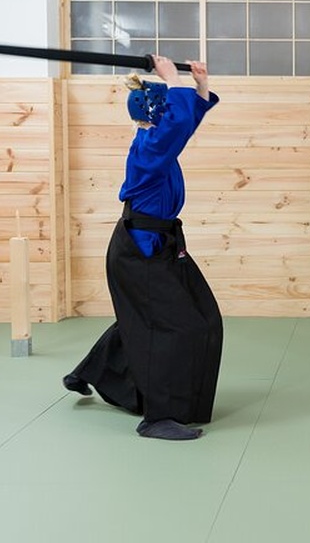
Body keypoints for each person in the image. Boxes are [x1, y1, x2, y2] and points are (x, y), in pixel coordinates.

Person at [63, 55, 223, 440]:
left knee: (183, 317)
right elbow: (178, 124)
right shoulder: (151, 147)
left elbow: (183, 125)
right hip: (140, 251)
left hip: (154, 246)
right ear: (158, 112)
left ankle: (91, 371)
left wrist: (200, 86)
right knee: (177, 326)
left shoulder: (157, 144)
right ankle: (157, 417)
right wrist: (171, 77)